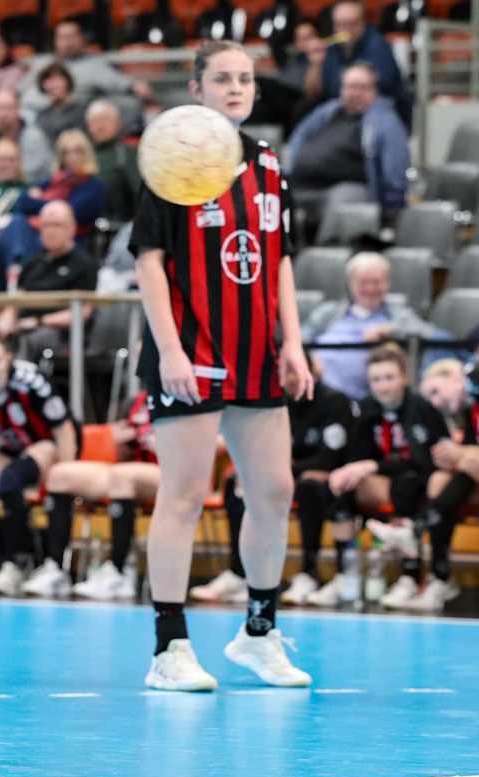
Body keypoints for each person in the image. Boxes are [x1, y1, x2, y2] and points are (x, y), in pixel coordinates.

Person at [130, 41, 314, 692]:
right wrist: (170, 351)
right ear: (197, 88)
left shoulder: (267, 162)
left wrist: (294, 344)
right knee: (183, 496)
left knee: (274, 491)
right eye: (222, 78)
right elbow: (148, 260)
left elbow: (280, 258)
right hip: (191, 350)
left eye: (245, 78)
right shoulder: (170, 156)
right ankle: (169, 647)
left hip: (257, 351)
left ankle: (259, 633)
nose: (236, 87)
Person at [189, 353, 356, 606]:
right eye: (281, 372)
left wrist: (282, 471)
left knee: (308, 486)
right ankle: (239, 574)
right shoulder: (275, 403)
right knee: (237, 482)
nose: (288, 379)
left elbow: (331, 457)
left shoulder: (334, 401)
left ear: (311, 370)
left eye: (293, 370)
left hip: (329, 475)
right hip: (286, 472)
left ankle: (308, 574)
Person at [327, 345, 452, 610]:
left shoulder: (420, 407)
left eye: (389, 378)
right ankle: (344, 574)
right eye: (376, 379)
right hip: (385, 479)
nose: (383, 386)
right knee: (341, 486)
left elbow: (424, 462)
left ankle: (410, 577)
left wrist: (372, 466)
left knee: (407, 484)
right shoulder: (366, 408)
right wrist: (350, 471)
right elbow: (356, 457)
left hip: (421, 480)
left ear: (405, 377)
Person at [0, 332, 77, 597]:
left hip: (48, 443)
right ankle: (16, 557)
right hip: (13, 448)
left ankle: (19, 561)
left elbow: (64, 428)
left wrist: (65, 472)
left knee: (10, 479)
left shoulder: (30, 380)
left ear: (9, 358)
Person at [364, 358, 479, 611]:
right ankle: (441, 576)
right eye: (431, 397)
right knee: (439, 479)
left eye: (436, 391)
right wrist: (452, 456)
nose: (436, 402)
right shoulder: (468, 408)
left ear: (455, 377)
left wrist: (461, 454)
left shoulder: (473, 382)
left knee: (466, 461)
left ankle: (415, 528)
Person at [44, 389, 160, 601]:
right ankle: (55, 569)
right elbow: (126, 453)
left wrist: (161, 443)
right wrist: (120, 441)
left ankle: (119, 571)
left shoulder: (189, 392)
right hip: (133, 469)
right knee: (59, 474)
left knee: (121, 476)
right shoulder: (139, 400)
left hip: (171, 471)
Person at [0, 128, 106, 293]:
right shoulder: (54, 181)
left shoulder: (94, 187)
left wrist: (42, 202)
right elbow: (22, 202)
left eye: (77, 151)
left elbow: (69, 212)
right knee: (14, 225)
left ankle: (12, 284)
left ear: (86, 153)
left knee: (17, 227)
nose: (72, 157)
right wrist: (53, 204)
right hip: (38, 238)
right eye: (66, 152)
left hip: (69, 245)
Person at [288, 62, 409, 227]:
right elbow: (298, 138)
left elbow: (394, 168)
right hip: (302, 186)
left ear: (374, 90)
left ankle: (329, 244)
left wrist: (391, 209)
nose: (355, 93)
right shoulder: (326, 112)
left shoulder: (385, 122)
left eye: (362, 87)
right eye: (350, 87)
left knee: (343, 201)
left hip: (350, 189)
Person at [303, 252, 435, 401]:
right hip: (315, 391)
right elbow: (300, 339)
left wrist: (390, 329)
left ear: (387, 283)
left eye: (377, 282)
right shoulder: (329, 312)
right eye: (363, 282)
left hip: (362, 398)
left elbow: (429, 333)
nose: (371, 288)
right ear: (351, 283)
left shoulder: (397, 315)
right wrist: (309, 360)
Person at [0, 200, 99, 363]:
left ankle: (21, 379)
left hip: (60, 334)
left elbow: (82, 313)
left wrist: (38, 322)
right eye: (46, 225)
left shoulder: (84, 265)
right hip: (23, 325)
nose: (50, 231)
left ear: (72, 228)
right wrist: (6, 319)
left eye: (56, 225)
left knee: (30, 340)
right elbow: (16, 300)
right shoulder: (33, 263)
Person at [16, 19, 136, 115]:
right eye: (63, 37)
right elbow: (19, 90)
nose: (68, 42)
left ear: (82, 39)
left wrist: (137, 88)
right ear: (55, 42)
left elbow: (124, 84)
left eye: (72, 36)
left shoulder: (94, 65)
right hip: (33, 115)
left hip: (74, 116)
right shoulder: (42, 63)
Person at [320, 0, 412, 125]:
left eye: (351, 24)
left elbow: (376, 89)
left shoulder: (378, 45)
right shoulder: (332, 48)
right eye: (340, 25)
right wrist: (316, 64)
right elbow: (329, 88)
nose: (345, 30)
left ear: (362, 23)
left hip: (381, 111)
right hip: (346, 110)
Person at [0, 89, 53, 186]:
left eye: (7, 108)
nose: (2, 114)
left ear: (18, 109)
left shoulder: (34, 138)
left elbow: (29, 175)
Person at [86, 100, 140, 223]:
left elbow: (139, 192)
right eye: (95, 121)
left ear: (118, 123)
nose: (100, 126)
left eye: (106, 120)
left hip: (120, 221)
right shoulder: (82, 152)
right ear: (88, 126)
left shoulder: (128, 153)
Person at [33, 61, 87, 148]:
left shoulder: (82, 110)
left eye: (57, 80)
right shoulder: (42, 115)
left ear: (67, 81)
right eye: (49, 81)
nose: (53, 85)